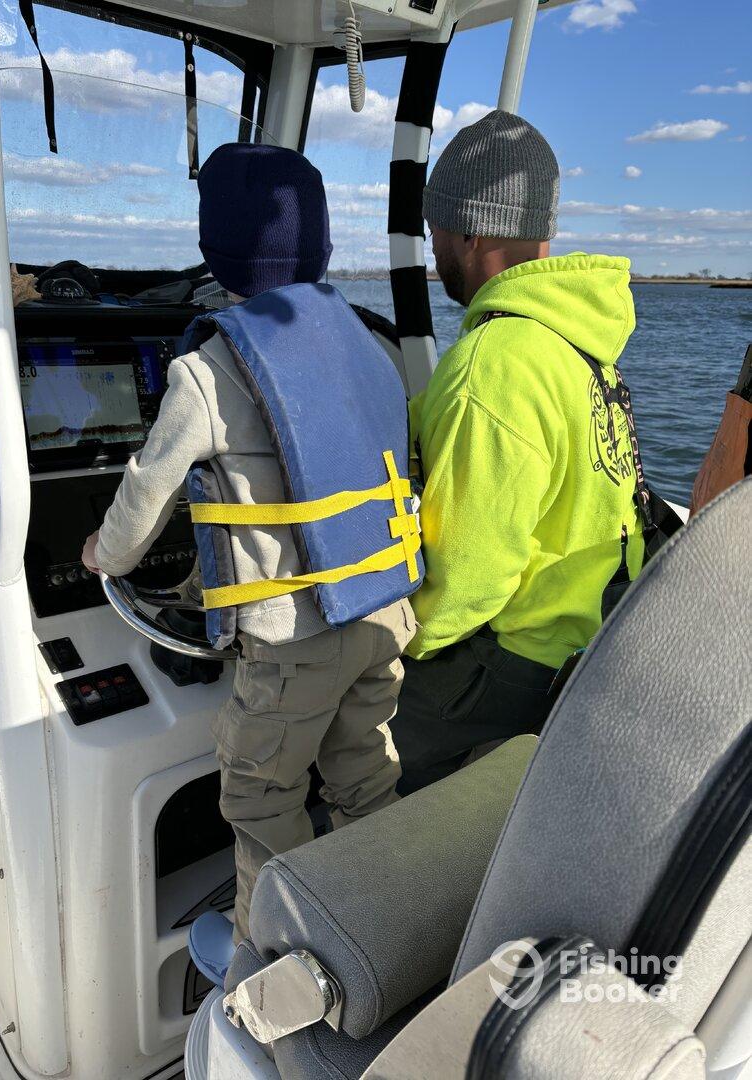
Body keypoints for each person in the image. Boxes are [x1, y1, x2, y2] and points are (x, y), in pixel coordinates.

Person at [82, 144, 416, 958]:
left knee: (264, 799)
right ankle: (391, 928)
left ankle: (276, 965)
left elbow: (145, 496)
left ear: (214, 254)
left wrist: (104, 557)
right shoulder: (372, 348)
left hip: (290, 648)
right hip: (382, 622)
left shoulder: (205, 371)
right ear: (324, 249)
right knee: (365, 782)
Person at [391, 110, 645, 794]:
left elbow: (468, 581)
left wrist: (384, 649)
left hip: (508, 666)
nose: (434, 249)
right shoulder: (580, 341)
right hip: (584, 644)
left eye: (434, 231)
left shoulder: (493, 362)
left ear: (469, 229)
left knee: (339, 739)